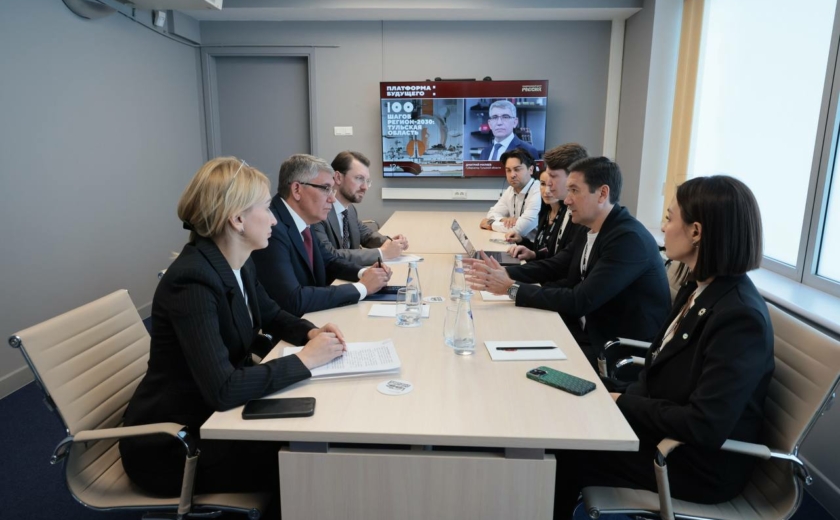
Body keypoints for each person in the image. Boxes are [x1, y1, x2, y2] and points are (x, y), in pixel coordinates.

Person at [120, 157, 348, 502]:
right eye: (266, 208)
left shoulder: (237, 262)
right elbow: (224, 390)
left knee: (320, 432)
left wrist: (310, 334)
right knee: (309, 458)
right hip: (177, 446)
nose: (274, 218)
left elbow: (272, 314)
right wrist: (306, 360)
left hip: (215, 417)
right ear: (237, 219)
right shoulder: (193, 281)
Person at [552, 175, 774, 519]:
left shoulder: (740, 317)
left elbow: (704, 425)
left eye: (669, 218)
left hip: (693, 464)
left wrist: (621, 402)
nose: (662, 227)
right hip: (660, 428)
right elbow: (663, 372)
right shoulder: (698, 288)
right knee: (565, 409)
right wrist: (605, 391)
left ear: (696, 232)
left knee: (564, 448)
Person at [467, 157, 670, 367]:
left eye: (574, 190)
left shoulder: (627, 239)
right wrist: (501, 273)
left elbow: (580, 300)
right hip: (585, 331)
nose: (566, 200)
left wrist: (511, 288)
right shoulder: (590, 226)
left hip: (613, 351)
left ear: (602, 193)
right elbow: (556, 265)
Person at [251, 154, 392, 317]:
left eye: (332, 190)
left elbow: (329, 261)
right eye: (326, 189)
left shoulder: (303, 217)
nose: (332, 199)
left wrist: (364, 273)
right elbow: (293, 300)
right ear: (297, 190)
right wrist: (362, 288)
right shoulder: (272, 228)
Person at [312, 150, 409, 264]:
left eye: (367, 181)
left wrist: (392, 242)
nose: (365, 187)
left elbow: (366, 235)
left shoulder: (350, 210)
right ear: (338, 178)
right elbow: (330, 255)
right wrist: (382, 253)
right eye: (359, 178)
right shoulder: (318, 212)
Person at [505, 143, 588, 261]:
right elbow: (551, 255)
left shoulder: (581, 217)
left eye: (553, 176)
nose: (548, 186)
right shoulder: (548, 210)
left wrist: (508, 272)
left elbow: (559, 264)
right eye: (543, 183)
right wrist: (528, 249)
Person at [479, 148, 542, 240]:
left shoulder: (538, 190)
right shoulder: (510, 190)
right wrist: (504, 220)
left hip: (533, 246)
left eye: (517, 169)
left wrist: (491, 224)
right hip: (515, 243)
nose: (512, 175)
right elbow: (492, 213)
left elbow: (520, 230)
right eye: (508, 170)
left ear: (531, 170)